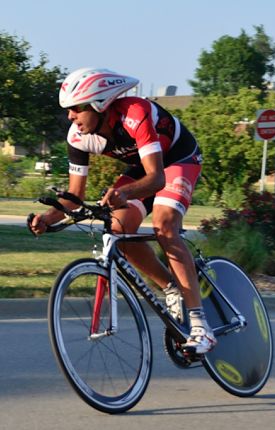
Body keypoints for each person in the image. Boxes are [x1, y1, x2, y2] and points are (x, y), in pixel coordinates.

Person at [29, 68, 216, 354]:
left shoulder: (135, 112)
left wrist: (125, 192)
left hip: (178, 159)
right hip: (145, 166)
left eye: (76, 109)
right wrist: (49, 217)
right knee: (118, 229)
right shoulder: (78, 136)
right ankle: (171, 288)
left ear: (100, 103)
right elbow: (75, 196)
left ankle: (201, 326)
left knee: (164, 226)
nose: (70, 117)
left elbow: (157, 179)